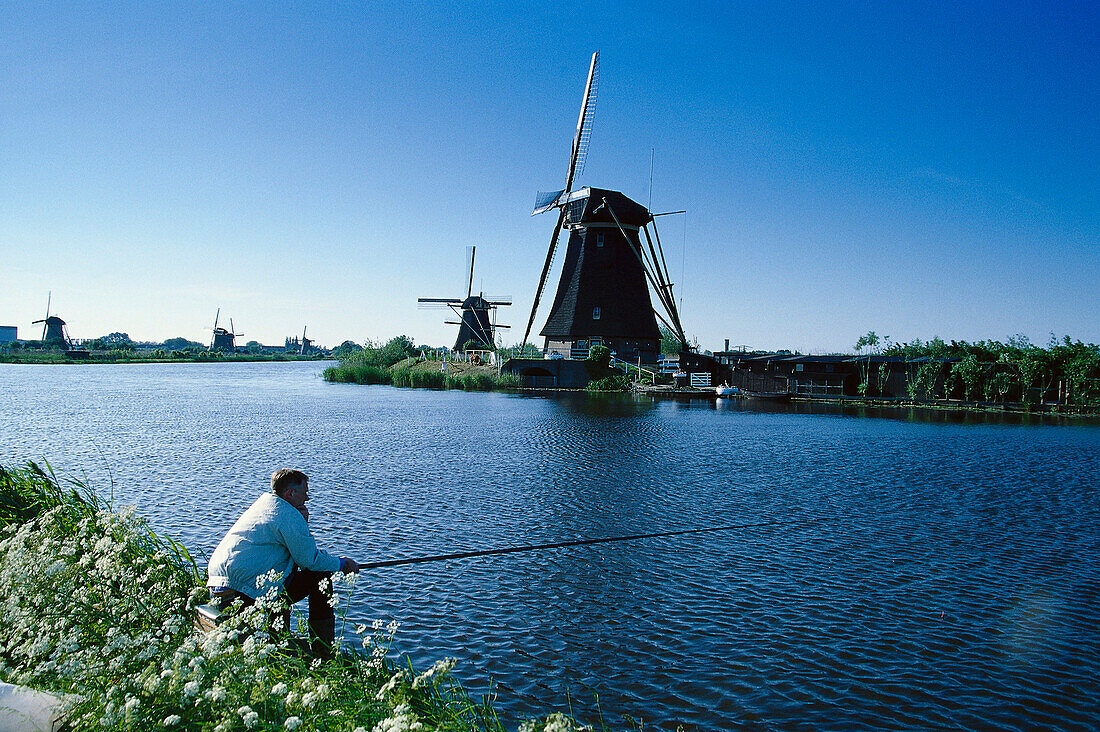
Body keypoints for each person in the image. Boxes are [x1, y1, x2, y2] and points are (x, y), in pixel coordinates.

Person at [207, 468, 360, 655]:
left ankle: (280, 638)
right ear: (290, 493)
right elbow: (310, 561)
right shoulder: (287, 514)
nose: (308, 498)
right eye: (305, 492)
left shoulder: (265, 505)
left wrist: (301, 521)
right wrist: (343, 564)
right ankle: (323, 651)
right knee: (321, 577)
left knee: (282, 578)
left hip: (218, 586)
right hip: (241, 591)